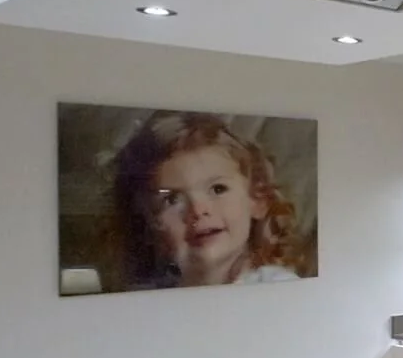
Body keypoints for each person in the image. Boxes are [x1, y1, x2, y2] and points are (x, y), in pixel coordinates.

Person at [111, 113, 302, 289]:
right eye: (172, 199)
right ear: (149, 225)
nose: (198, 210)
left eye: (218, 189)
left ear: (257, 200)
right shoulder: (153, 296)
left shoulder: (277, 286)